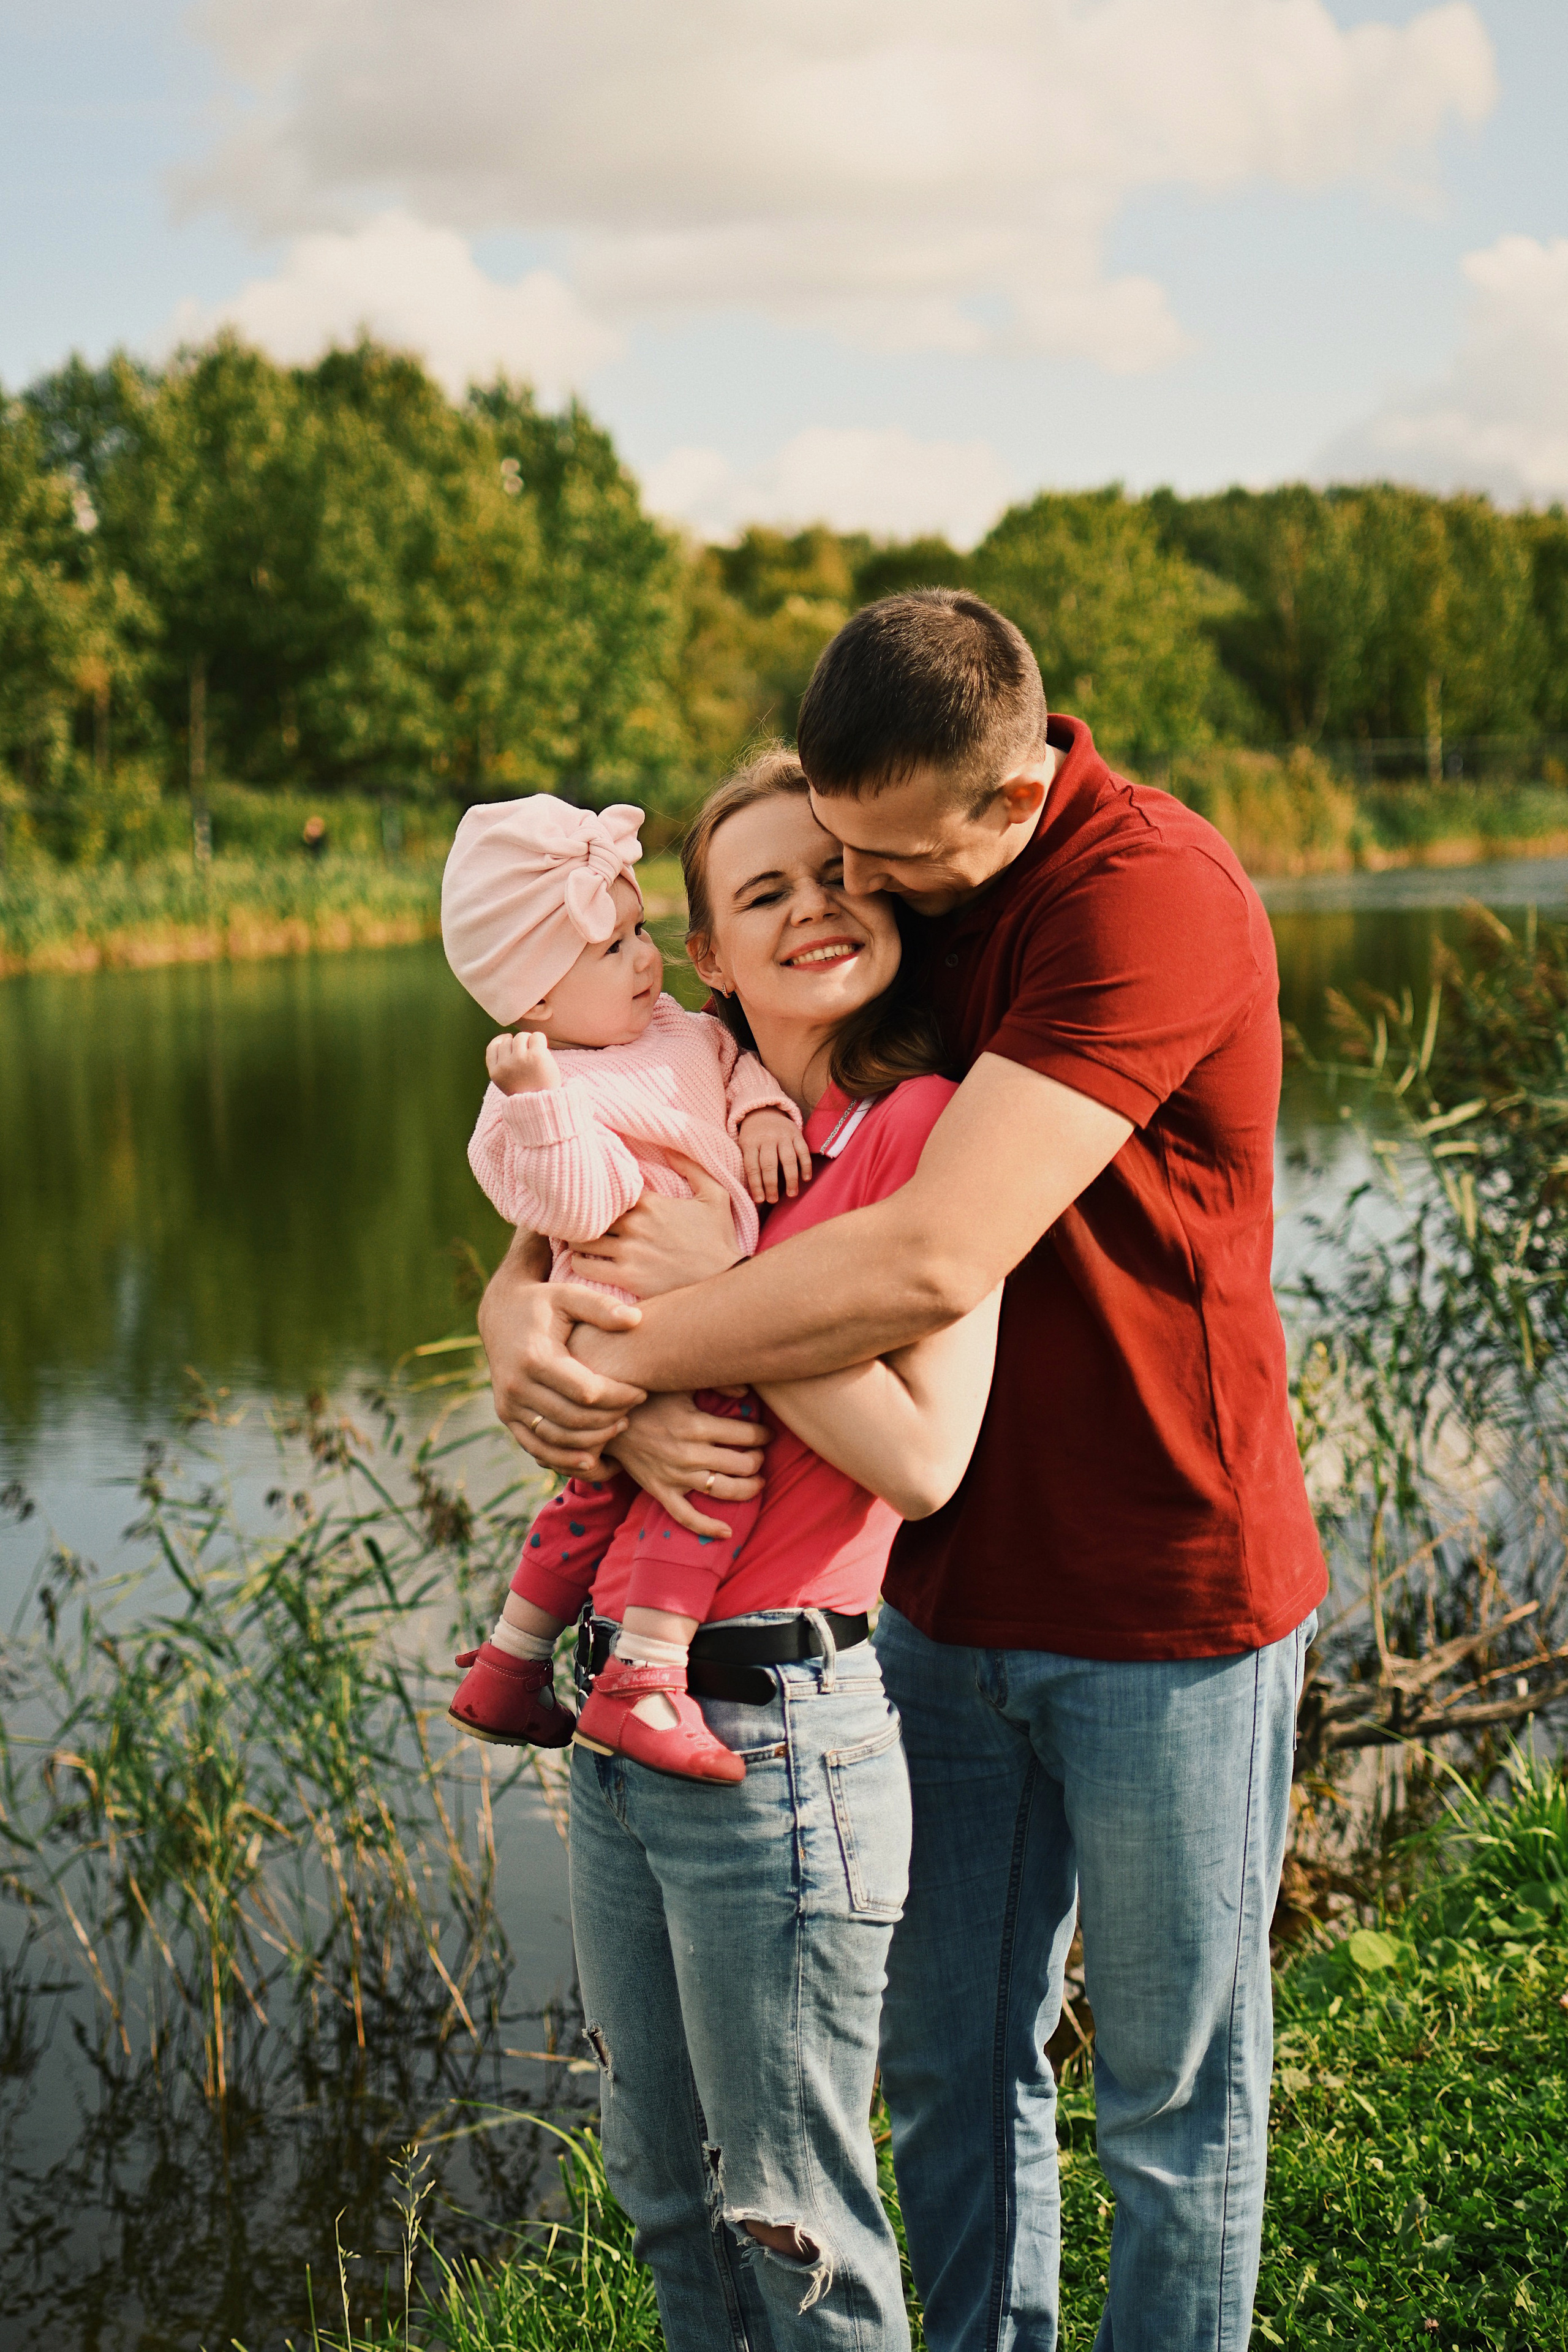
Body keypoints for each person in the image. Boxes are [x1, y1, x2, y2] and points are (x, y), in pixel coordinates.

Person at [479, 595, 1329, 2351]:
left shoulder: (1138, 899)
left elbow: (930, 1259)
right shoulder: (882, 912)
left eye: (882, 861)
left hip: (1161, 1583)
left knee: (1173, 2101)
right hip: (923, 1610)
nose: (853, 893)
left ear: (1005, 806)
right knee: (952, 2072)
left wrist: (617, 1361)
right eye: (819, 863)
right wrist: (519, 1320)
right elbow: (599, 1159)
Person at [565, 748, 1002, 2350]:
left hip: (785, 1741)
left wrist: (712, 1309)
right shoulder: (669, 1114)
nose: (817, 909)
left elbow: (924, 1459)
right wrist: (610, 1399)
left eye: (833, 874)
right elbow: (537, 1312)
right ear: (710, 962)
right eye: (767, 895)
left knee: (794, 2223)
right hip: (620, 1712)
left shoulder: (921, 1131)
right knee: (666, 2192)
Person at [439, 791, 809, 1780]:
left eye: (640, 930)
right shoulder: (537, 1097)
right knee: (707, 1480)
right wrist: (542, 1108)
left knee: (594, 1497)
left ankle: (512, 1663)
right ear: (537, 1003)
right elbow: (580, 1203)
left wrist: (768, 1116)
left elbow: (740, 1072)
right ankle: (644, 1675)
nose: (648, 959)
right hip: (638, 1321)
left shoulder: (683, 1030)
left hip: (684, 1313)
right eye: (612, 951)